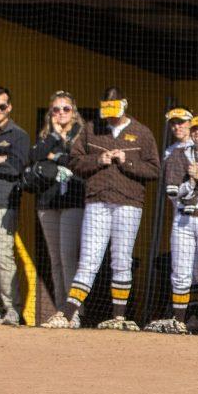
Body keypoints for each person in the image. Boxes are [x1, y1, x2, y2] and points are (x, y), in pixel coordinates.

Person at [41, 87, 160, 330]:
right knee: (88, 260)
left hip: (129, 203)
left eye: (113, 109)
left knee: (121, 259)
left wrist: (129, 163)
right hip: (96, 201)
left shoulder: (142, 132)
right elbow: (74, 162)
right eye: (105, 109)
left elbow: (154, 170)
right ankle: (67, 314)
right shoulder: (91, 129)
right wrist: (98, 160)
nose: (109, 115)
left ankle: (119, 317)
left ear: (124, 105)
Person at [147, 116, 198, 334]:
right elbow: (173, 193)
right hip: (183, 218)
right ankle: (179, 320)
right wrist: (190, 183)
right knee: (181, 272)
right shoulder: (179, 155)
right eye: (196, 130)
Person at [29, 90, 85, 308]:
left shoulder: (81, 133)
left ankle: (75, 310)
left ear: (74, 112)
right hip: (48, 203)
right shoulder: (46, 136)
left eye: (66, 109)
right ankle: (62, 308)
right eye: (56, 109)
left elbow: (75, 160)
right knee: (55, 259)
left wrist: (53, 155)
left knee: (68, 256)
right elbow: (34, 156)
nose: (61, 113)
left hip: (73, 201)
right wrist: (54, 136)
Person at [0, 86, 29, 326]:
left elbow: (15, 167)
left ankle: (12, 309)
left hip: (4, 204)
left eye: (2, 106)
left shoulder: (17, 135)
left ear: (9, 107)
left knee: (3, 257)